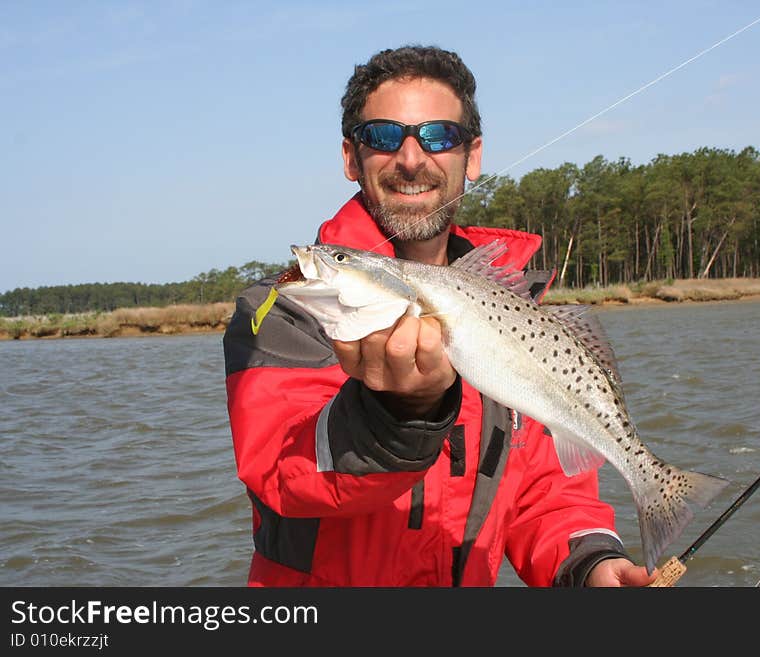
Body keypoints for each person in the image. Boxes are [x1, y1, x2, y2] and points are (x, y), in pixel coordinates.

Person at [223, 45, 657, 587]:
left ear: (471, 156)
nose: (411, 158)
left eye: (439, 136)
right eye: (383, 136)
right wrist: (401, 412)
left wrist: (592, 564)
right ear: (350, 158)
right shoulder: (284, 309)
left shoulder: (519, 316)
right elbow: (284, 478)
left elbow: (549, 495)